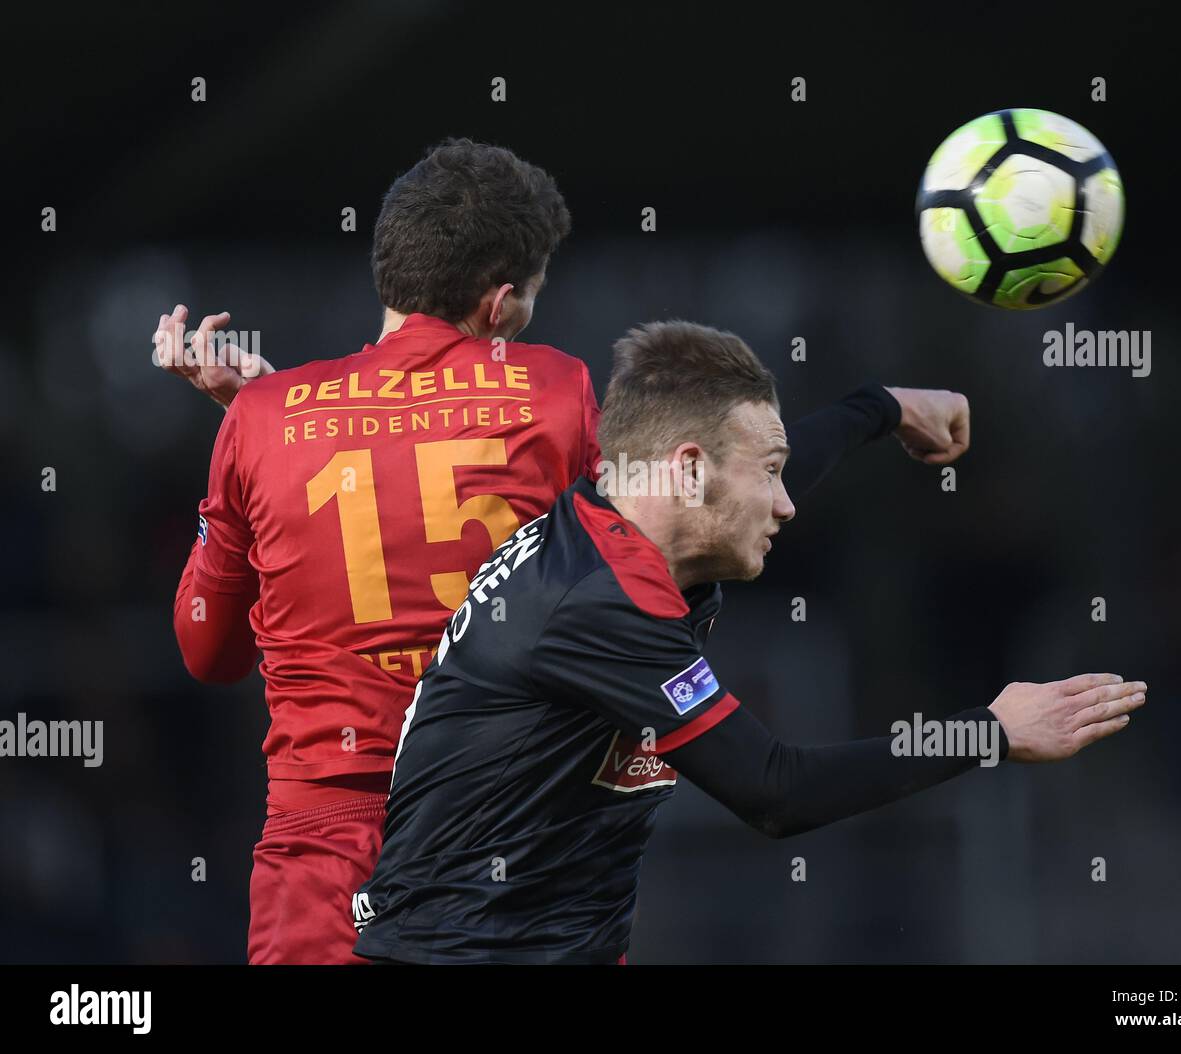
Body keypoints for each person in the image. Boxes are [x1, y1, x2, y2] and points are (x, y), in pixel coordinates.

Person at [154, 140, 975, 964]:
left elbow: (210, 650)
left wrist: (259, 436)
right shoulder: (551, 393)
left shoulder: (264, 420)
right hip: (509, 856)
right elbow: (707, 502)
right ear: (502, 303)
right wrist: (877, 409)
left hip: (325, 856)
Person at [352, 321, 1146, 965]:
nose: (787, 504)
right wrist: (992, 732)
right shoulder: (597, 605)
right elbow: (775, 791)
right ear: (690, 473)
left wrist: (882, 408)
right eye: (771, 474)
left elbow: (761, 465)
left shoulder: (620, 510)